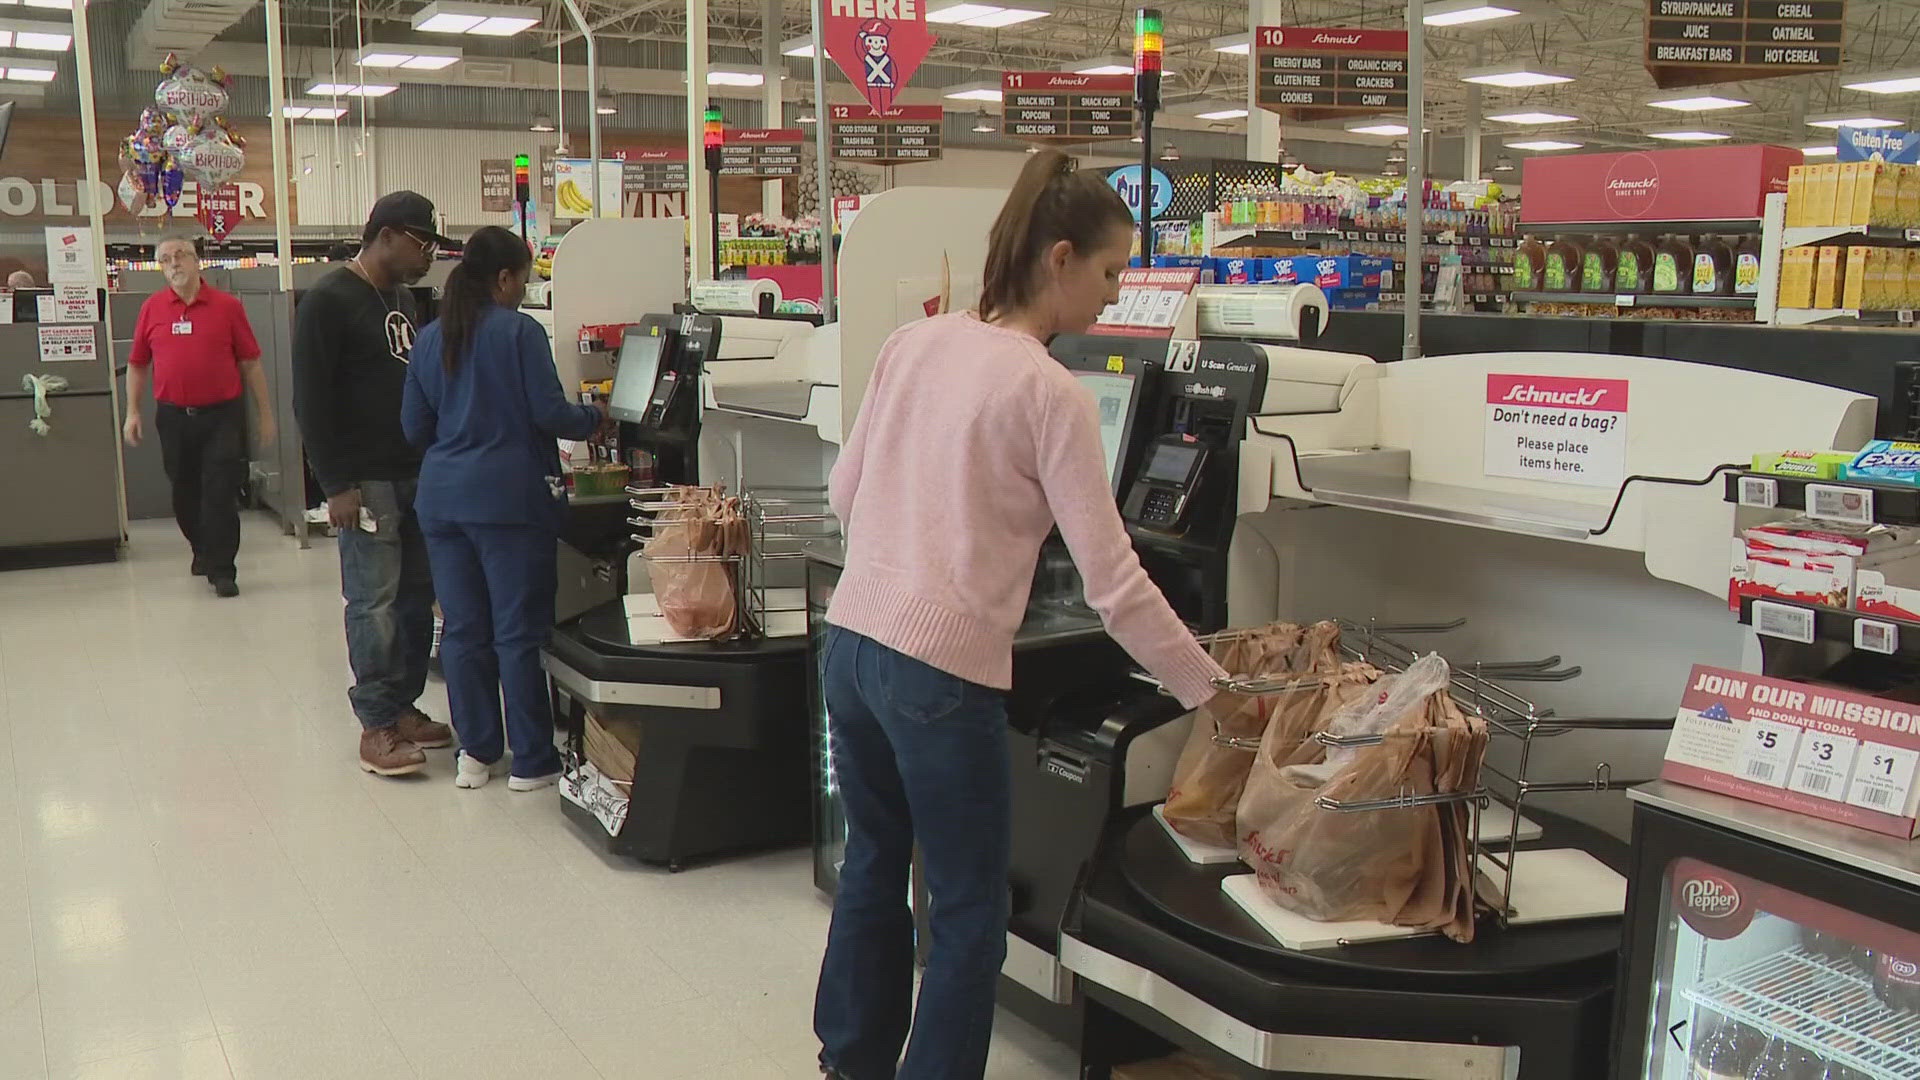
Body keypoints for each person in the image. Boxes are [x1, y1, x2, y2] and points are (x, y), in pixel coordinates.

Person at [813, 148, 1226, 1080]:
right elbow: (1114, 584)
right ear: (1060, 258)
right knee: (966, 914)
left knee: (875, 867)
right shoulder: (1053, 391)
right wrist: (1213, 687)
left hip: (851, 646)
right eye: (1112, 273)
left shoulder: (910, 344)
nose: (1115, 298)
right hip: (938, 675)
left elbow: (846, 493)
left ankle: (849, 1064)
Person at [402, 227, 601, 792]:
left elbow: (414, 427)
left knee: (464, 631)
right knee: (517, 631)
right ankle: (533, 761)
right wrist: (597, 416)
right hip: (510, 501)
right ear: (505, 278)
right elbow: (551, 414)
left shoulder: (430, 338)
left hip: (442, 502)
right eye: (526, 277)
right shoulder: (520, 332)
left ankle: (476, 755)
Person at [293, 191, 456, 777]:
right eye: (422, 242)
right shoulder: (328, 301)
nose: (429, 254)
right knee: (374, 602)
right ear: (386, 234)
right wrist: (334, 483)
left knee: (416, 599)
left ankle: (404, 705)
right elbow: (310, 401)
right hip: (363, 479)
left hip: (414, 471)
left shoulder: (403, 297)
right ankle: (376, 724)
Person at [122, 235, 273, 597]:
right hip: (174, 417)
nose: (174, 263)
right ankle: (201, 548)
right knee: (184, 491)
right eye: (165, 259)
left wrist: (265, 413)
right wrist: (132, 412)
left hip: (222, 415)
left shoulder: (227, 307)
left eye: (181, 256)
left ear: (196, 261)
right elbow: (138, 364)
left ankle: (223, 569)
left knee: (220, 490)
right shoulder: (152, 309)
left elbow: (250, 363)